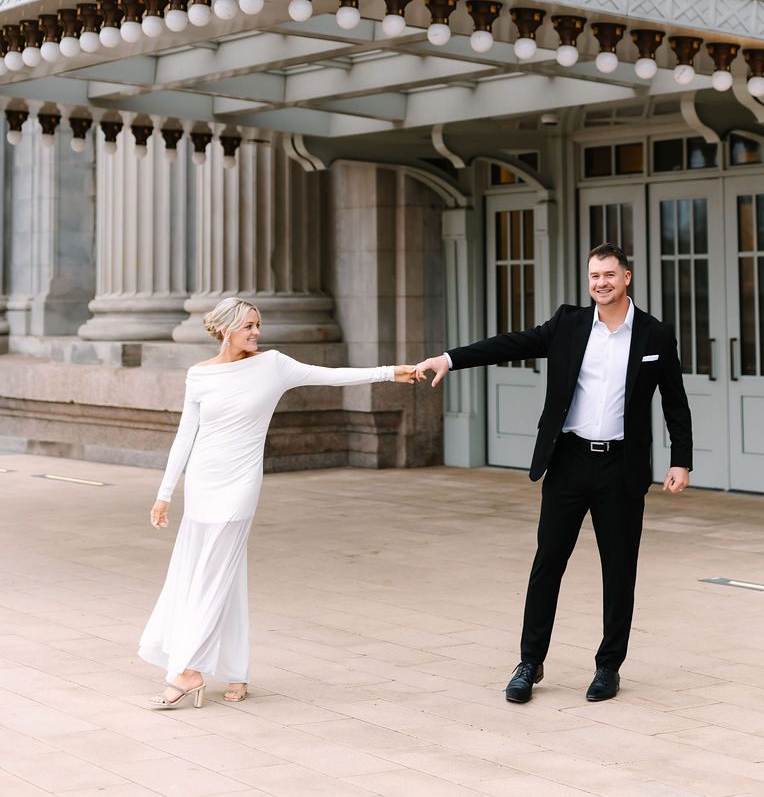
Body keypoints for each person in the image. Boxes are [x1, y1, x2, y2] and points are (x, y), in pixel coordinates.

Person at [415, 242, 692, 705]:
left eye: (609, 274)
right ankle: (530, 662)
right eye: (594, 276)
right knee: (548, 564)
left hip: (621, 467)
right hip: (568, 461)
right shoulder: (568, 323)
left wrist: (680, 459)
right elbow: (510, 343)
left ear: (627, 278)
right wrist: (449, 359)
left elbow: (675, 400)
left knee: (619, 570)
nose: (600, 283)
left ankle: (608, 666)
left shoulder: (654, 335)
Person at [140, 296, 416, 709]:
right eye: (249, 326)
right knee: (217, 574)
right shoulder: (199, 374)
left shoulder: (274, 365)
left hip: (239, 485)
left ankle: (188, 671)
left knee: (213, 574)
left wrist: (390, 372)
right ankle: (236, 670)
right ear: (225, 329)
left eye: (258, 324)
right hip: (202, 481)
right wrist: (164, 494)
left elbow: (331, 376)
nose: (257, 332)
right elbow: (185, 436)